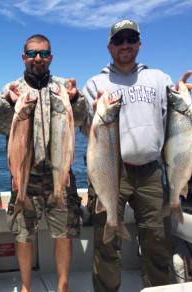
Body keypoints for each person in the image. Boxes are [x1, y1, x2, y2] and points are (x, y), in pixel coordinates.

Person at [0, 34, 91, 292]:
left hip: (60, 174)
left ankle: (63, 286)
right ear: (24, 56)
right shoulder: (12, 89)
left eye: (43, 54)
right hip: (25, 175)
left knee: (64, 234)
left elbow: (81, 120)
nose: (38, 59)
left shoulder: (63, 87)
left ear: (51, 58)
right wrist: (8, 104)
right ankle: (26, 286)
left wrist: (77, 98)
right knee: (23, 235)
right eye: (33, 54)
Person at [83, 19, 175, 291]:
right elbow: (84, 128)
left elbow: (178, 120)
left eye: (130, 39)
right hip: (111, 170)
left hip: (150, 172)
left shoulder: (159, 79)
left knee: (157, 240)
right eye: (119, 40)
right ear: (110, 47)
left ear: (139, 44)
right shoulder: (96, 82)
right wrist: (81, 104)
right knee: (107, 244)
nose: (125, 45)